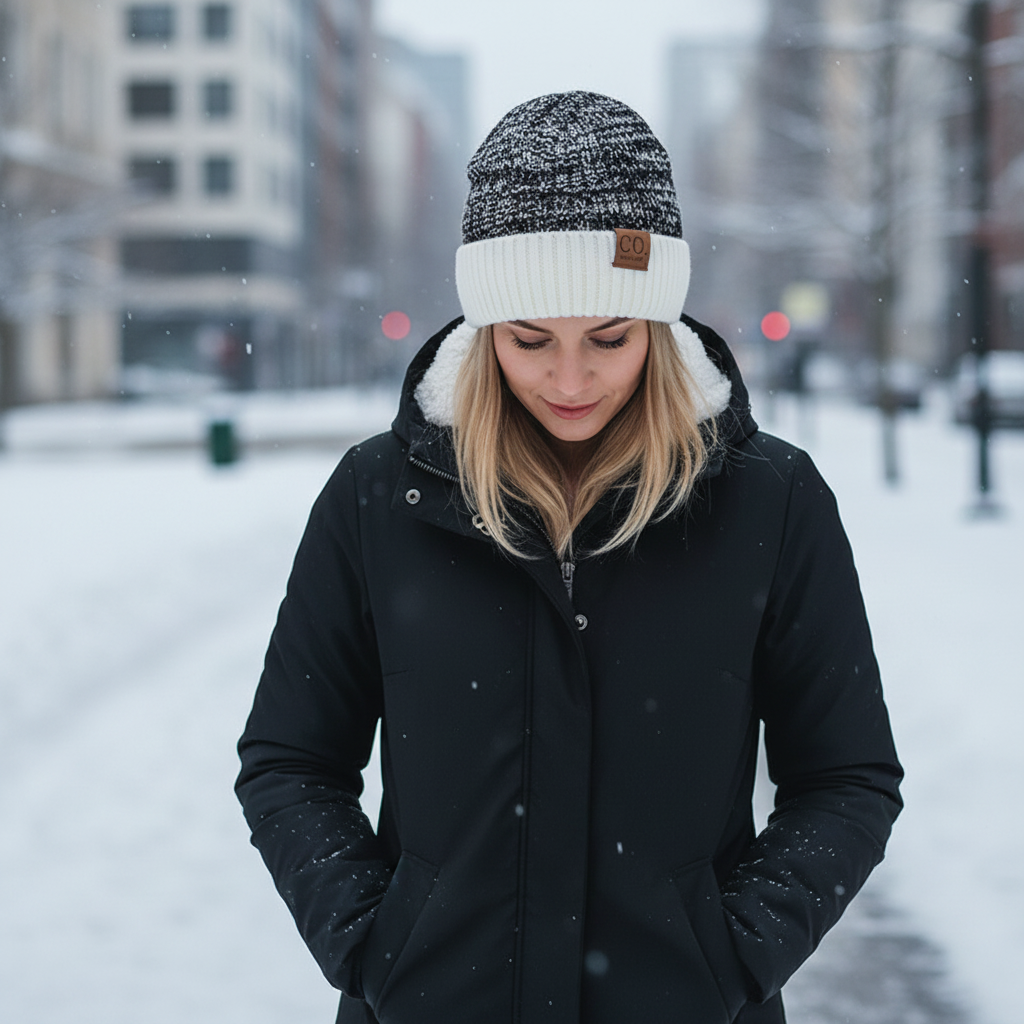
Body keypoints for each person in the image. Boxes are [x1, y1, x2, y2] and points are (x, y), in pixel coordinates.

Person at [236, 91, 902, 1024]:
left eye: (611, 338)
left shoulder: (770, 499)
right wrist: (375, 948)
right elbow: (290, 758)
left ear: (659, 326)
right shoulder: (379, 496)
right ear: (485, 329)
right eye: (530, 339)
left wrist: (730, 958)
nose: (571, 379)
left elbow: (846, 777)